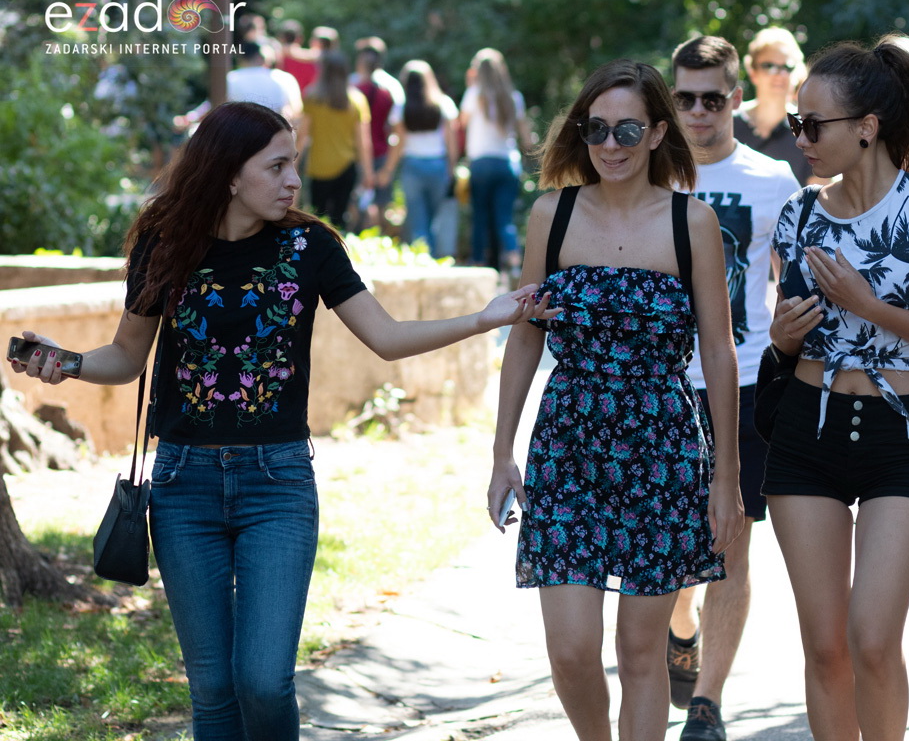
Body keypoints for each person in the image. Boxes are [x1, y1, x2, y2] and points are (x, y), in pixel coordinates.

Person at [6, 100, 557, 741]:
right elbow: (127, 357)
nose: (294, 179)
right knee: (212, 690)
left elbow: (386, 336)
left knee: (264, 681)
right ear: (228, 174)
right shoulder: (165, 242)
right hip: (184, 484)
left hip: (278, 485)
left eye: (292, 163)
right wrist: (67, 363)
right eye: (277, 166)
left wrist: (485, 319)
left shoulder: (310, 246)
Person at [488, 59, 744, 741]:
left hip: (661, 450)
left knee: (639, 653)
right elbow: (525, 337)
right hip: (568, 442)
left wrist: (726, 476)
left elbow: (718, 353)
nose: (611, 143)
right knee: (571, 650)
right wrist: (501, 453)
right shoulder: (555, 213)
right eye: (595, 128)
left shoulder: (694, 222)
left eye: (628, 127)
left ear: (659, 131)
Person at [765, 35, 909, 740]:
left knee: (873, 641)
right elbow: (782, 329)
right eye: (797, 124)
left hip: (901, 436)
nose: (800, 139)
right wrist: (783, 336)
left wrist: (868, 304)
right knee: (825, 649)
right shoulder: (797, 216)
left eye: (812, 125)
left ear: (866, 126)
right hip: (807, 431)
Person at [666, 35, 800, 741]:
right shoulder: (649, 178)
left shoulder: (774, 181)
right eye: (682, 98)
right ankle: (680, 625)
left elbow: (797, 281)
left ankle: (707, 703)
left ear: (735, 98)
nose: (696, 111)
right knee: (669, 542)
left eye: (710, 98)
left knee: (732, 539)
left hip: (744, 382)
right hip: (658, 385)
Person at [460, 48, 532, 276]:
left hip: (480, 163)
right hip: (506, 164)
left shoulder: (474, 94)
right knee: (504, 218)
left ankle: (479, 265)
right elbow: (526, 137)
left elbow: (461, 124)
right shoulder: (513, 97)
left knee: (480, 215)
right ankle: (513, 263)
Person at [381, 60, 460, 251]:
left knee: (417, 219)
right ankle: (436, 258)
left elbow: (398, 144)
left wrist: (387, 170)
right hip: (438, 166)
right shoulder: (444, 103)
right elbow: (452, 143)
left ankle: (424, 257)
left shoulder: (401, 107)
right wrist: (452, 169)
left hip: (412, 166)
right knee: (435, 218)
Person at [297, 50, 375, 229]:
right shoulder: (356, 100)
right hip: (346, 166)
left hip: (318, 166)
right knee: (340, 219)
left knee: (317, 219)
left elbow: (303, 135)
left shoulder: (312, 97)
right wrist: (368, 172)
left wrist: (294, 162)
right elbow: (363, 141)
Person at [732, 27, 816, 186]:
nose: (779, 74)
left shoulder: (809, 130)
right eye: (769, 66)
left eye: (788, 66)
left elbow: (820, 196)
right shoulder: (727, 123)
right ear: (752, 71)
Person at [351, 38, 404, 230]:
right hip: (382, 153)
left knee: (354, 205)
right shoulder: (392, 87)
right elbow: (398, 131)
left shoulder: (352, 86)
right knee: (382, 206)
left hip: (355, 154)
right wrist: (389, 168)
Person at [226, 42, 303, 122]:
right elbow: (296, 110)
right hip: (275, 130)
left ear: (240, 58)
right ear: (261, 58)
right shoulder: (284, 78)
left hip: (238, 131)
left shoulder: (230, 78)